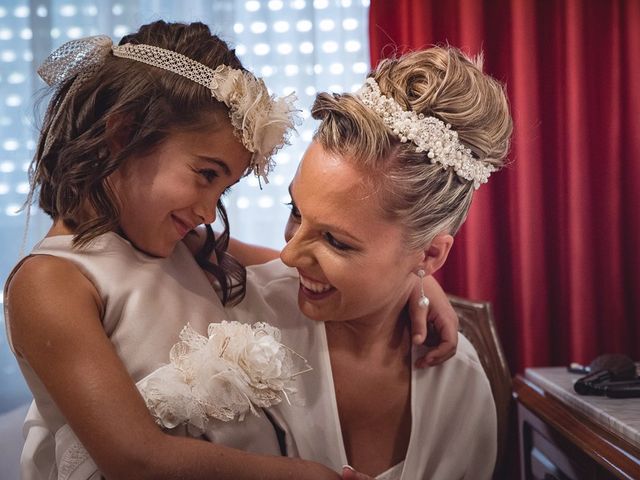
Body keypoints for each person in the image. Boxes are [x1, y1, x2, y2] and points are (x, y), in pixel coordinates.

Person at [3, 21, 458, 480]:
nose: (206, 211)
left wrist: (416, 283)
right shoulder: (51, 282)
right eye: (205, 174)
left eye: (223, 191)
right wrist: (305, 475)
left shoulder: (182, 244)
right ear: (123, 135)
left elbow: (307, 263)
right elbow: (134, 459)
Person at [223, 46, 513, 479]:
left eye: (336, 241)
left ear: (430, 254)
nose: (289, 254)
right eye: (295, 211)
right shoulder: (237, 321)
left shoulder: (460, 389)